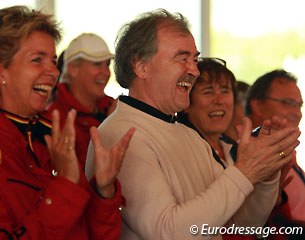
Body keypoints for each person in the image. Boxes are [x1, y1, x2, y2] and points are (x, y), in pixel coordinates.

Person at [85, 9, 300, 240]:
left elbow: (244, 224)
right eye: (182, 58)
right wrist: (245, 172)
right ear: (141, 66)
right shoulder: (120, 135)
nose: (194, 71)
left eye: (195, 60)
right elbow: (168, 231)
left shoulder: (188, 136)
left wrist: (265, 173)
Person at [0, 5, 134, 239]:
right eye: (37, 60)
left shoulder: (53, 135)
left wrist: (103, 190)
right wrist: (64, 185)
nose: (52, 70)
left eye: (52, 60)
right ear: (2, 72)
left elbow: (95, 234)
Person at [47, 33, 117, 169]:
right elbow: (81, 174)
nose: (106, 72)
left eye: (107, 64)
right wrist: (109, 129)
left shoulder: (114, 108)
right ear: (73, 69)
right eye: (97, 64)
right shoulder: (54, 118)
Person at [245, 69, 305, 223]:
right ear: (257, 105)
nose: (297, 113)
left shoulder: (283, 150)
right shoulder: (247, 154)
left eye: (299, 105)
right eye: (287, 103)